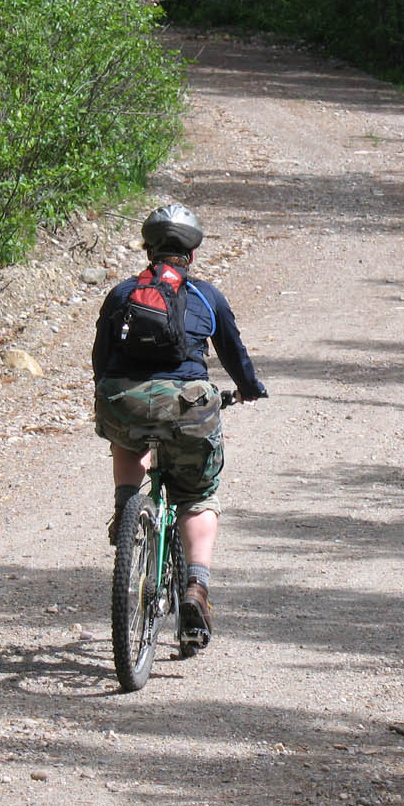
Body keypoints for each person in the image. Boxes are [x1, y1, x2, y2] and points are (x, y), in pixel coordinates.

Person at [91, 203, 268, 649]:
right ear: (192, 253)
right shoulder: (206, 296)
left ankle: (127, 511)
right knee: (196, 495)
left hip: (122, 402)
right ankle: (196, 587)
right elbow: (234, 354)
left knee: (127, 438)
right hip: (188, 409)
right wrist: (249, 388)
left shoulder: (121, 294)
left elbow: (101, 360)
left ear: (148, 249)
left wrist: (113, 398)